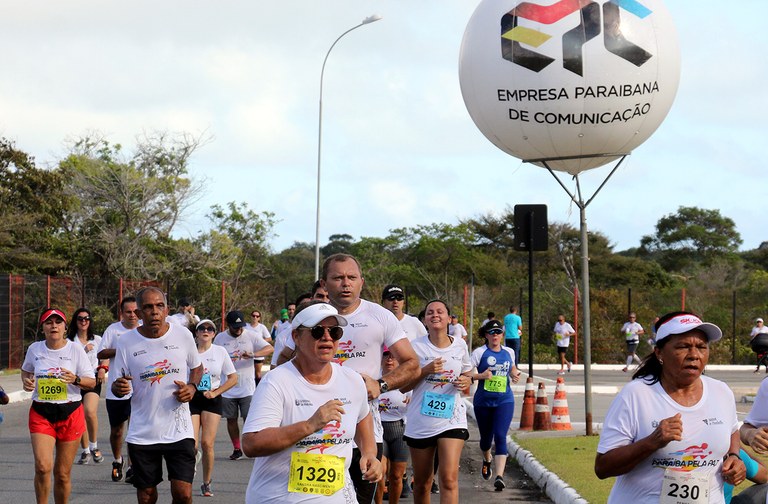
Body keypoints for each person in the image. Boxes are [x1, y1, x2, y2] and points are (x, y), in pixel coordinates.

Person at [283, 253, 419, 504]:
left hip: (365, 431)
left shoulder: (380, 316)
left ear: (361, 282)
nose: (345, 283)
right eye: (338, 278)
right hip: (315, 432)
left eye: (351, 277)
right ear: (324, 284)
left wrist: (381, 385)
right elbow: (281, 364)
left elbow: (412, 363)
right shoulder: (308, 317)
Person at [595, 311, 746, 503]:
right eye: (683, 346)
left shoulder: (721, 391)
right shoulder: (636, 394)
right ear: (659, 353)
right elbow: (603, 467)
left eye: (701, 347)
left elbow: (732, 430)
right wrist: (651, 442)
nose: (694, 355)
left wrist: (734, 456)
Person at [242, 301, 383, 503]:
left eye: (334, 332)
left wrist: (369, 454)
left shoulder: (352, 380)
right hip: (279, 498)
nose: (327, 337)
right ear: (296, 337)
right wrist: (309, 425)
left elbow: (363, 417)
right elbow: (252, 444)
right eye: (317, 331)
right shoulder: (276, 382)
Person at [111, 286, 203, 504]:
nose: (155, 312)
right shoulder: (125, 342)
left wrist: (192, 387)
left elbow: (197, 368)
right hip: (143, 431)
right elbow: (118, 383)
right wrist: (120, 387)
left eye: (159, 306)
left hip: (179, 430)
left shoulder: (182, 334)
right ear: (139, 313)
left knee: (183, 494)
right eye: (148, 307)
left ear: (167, 309)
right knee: (146, 496)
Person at [22, 308, 96, 504]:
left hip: (70, 412)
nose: (53, 326)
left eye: (58, 322)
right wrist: (27, 382)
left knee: (62, 474)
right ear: (43, 327)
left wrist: (76, 379)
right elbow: (26, 371)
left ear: (65, 327)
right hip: (41, 412)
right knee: (42, 467)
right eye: (48, 322)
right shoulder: (35, 349)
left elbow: (91, 382)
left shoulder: (75, 349)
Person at [403, 299, 472, 504]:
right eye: (430, 312)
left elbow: (468, 372)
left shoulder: (460, 345)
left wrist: (466, 379)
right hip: (422, 421)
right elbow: (403, 387)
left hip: (452, 418)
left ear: (449, 319)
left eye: (440, 312)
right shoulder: (414, 348)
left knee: (449, 479)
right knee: (423, 482)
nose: (435, 315)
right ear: (424, 320)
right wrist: (425, 371)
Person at [214, 310, 273, 461]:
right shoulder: (220, 338)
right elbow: (212, 356)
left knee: (249, 419)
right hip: (227, 387)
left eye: (240, 327)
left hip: (247, 387)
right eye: (235, 327)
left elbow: (269, 348)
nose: (238, 330)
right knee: (231, 419)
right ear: (229, 325)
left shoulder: (251, 335)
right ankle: (237, 448)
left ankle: (252, 447)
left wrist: (254, 354)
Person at [470, 319, 520, 492]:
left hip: (504, 400)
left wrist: (514, 374)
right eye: (492, 332)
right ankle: (487, 459)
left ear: (502, 335)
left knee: (500, 435)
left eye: (498, 332)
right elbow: (468, 375)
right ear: (486, 335)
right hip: (483, 402)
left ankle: (499, 477)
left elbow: (512, 368)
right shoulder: (479, 353)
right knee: (485, 440)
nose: (495, 336)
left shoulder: (509, 351)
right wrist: (481, 376)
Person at [191, 318, 238, 497]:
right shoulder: (190, 351)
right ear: (196, 333)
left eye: (210, 329)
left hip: (212, 398)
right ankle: (192, 462)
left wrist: (216, 392)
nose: (206, 331)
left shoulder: (220, 352)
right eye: (202, 328)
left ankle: (206, 482)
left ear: (214, 333)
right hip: (192, 397)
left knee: (207, 443)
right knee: (192, 444)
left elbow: (233, 378)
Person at [97, 295, 140, 482]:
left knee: (135, 429)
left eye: (135, 312)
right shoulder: (113, 330)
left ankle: (133, 466)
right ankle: (117, 460)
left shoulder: (144, 330)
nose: (132, 315)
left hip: (138, 388)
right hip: (117, 389)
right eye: (128, 312)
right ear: (121, 313)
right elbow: (101, 352)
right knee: (117, 431)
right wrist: (121, 349)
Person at [66, 307, 105, 465]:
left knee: (89, 411)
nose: (84, 321)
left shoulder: (97, 339)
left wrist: (103, 368)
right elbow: (68, 359)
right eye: (80, 319)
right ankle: (85, 450)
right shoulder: (69, 341)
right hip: (75, 380)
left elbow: (105, 357)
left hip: (92, 379)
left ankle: (94, 446)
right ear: (76, 322)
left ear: (90, 321)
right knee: (79, 415)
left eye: (87, 318)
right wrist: (83, 350)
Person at [375, 347, 411, 504]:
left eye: (393, 356)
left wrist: (413, 400)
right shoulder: (373, 379)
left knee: (396, 476)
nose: (389, 359)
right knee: (379, 473)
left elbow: (418, 399)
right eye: (385, 355)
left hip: (400, 430)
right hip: (378, 429)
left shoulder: (407, 380)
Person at [247, 309, 272, 383]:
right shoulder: (246, 326)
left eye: (257, 316)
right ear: (251, 317)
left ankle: (258, 388)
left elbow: (269, 338)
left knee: (257, 374)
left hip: (259, 354)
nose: (255, 317)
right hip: (248, 353)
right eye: (253, 316)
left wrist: (260, 342)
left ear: (259, 318)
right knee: (248, 373)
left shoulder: (262, 327)